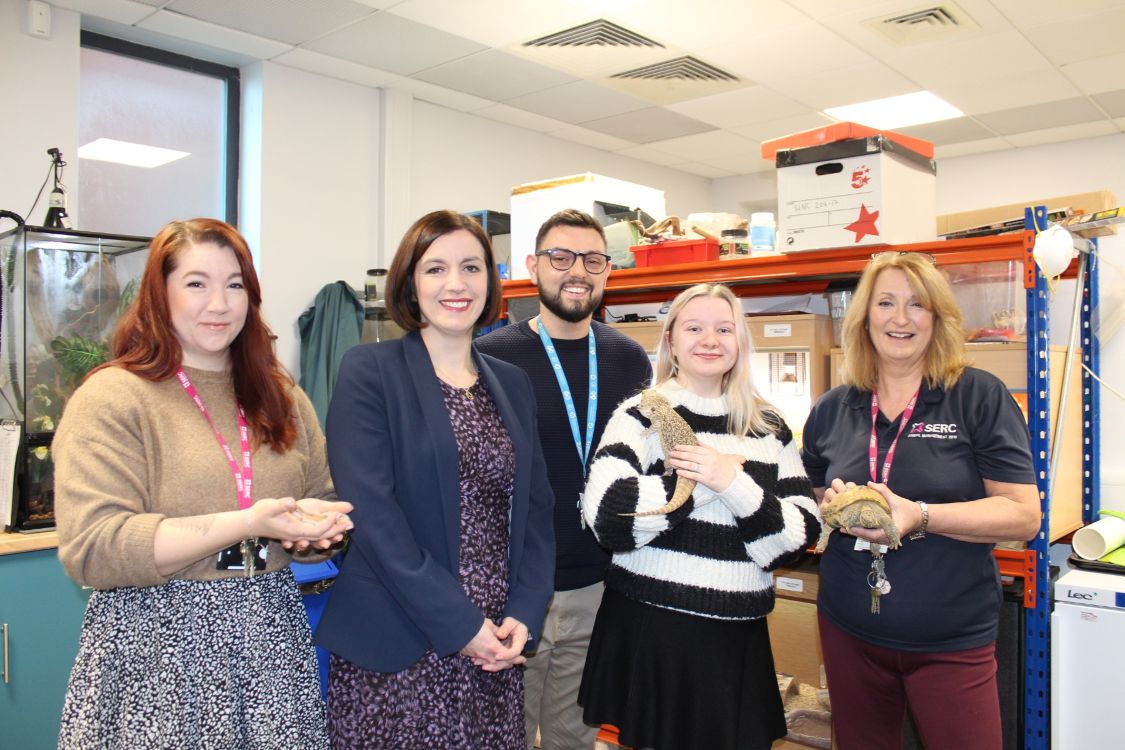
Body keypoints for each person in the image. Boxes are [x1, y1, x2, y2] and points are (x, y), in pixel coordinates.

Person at [53, 218, 353, 749]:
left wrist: (317, 533)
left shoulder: (281, 397)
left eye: (235, 284)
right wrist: (246, 523)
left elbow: (322, 499)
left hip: (272, 645)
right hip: (157, 652)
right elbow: (95, 548)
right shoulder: (114, 398)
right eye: (196, 284)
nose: (220, 303)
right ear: (158, 293)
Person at [316, 209, 555, 749]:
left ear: (491, 282)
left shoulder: (513, 384)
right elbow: (374, 517)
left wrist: (524, 611)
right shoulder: (369, 371)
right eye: (436, 268)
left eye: (471, 268)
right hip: (403, 641)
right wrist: (460, 626)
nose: (456, 284)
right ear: (410, 282)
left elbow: (536, 511)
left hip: (497, 643)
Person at [800, 251, 1040, 750]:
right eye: (885, 303)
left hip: (951, 639)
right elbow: (816, 490)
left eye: (917, 304)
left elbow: (1023, 514)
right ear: (865, 317)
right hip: (849, 629)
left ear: (938, 318)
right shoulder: (832, 408)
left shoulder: (977, 396)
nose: (901, 318)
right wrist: (836, 505)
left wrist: (920, 516)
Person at [579, 283, 822, 750]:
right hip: (653, 627)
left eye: (723, 329)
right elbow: (607, 515)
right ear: (671, 340)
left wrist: (731, 483)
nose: (709, 340)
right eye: (694, 328)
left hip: (735, 635)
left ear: (740, 342)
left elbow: (795, 537)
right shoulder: (641, 414)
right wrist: (703, 483)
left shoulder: (769, 427)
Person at [476, 208, 652, 750]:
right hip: (510, 591)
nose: (577, 270)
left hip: (600, 586)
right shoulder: (489, 356)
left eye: (593, 259)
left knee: (574, 738)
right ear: (533, 266)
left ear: (607, 271)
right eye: (561, 256)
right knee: (498, 736)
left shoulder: (628, 358)